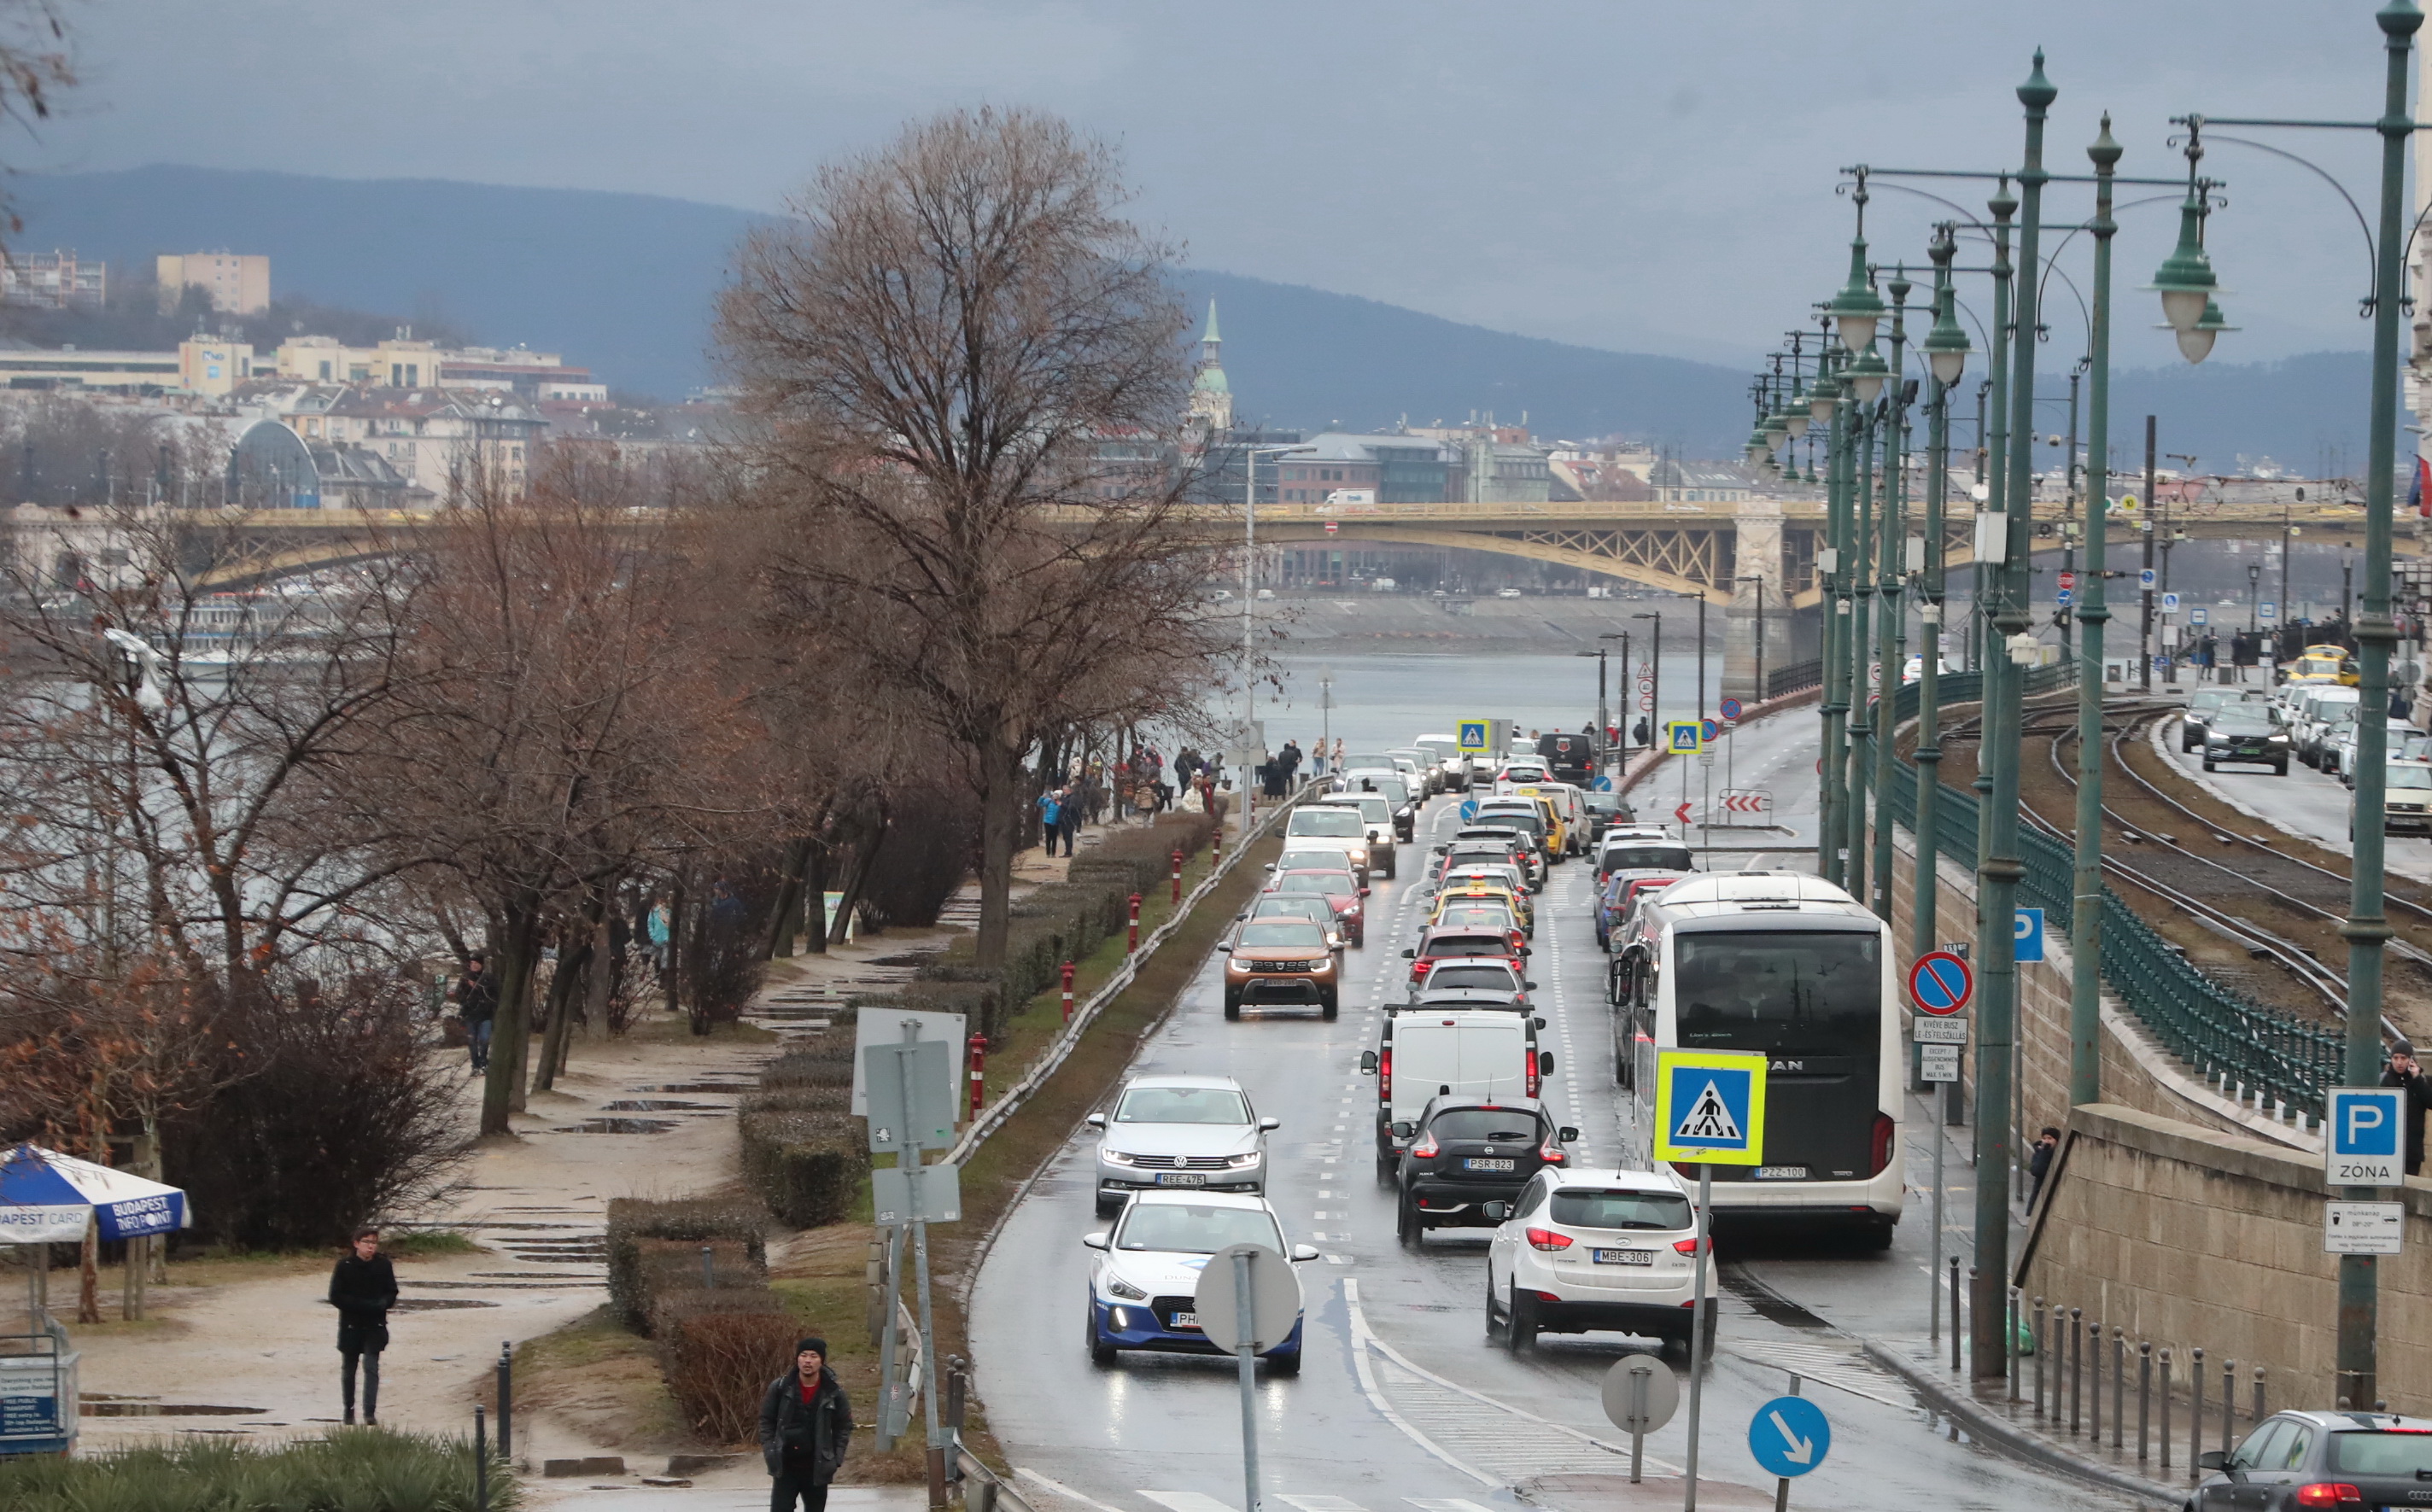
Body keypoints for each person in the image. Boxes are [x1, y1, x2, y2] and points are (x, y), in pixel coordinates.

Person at [761, 1336, 854, 1512]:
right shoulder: (780, 1387)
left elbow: (844, 1426)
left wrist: (835, 1458)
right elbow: (766, 1420)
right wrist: (770, 1450)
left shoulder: (833, 1392)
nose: (808, 1361)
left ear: (822, 1361)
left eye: (814, 1356)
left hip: (816, 1469)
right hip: (785, 1467)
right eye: (803, 1355)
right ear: (797, 1359)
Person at [328, 1224, 397, 1426]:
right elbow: (335, 1296)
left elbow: (392, 1291)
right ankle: (348, 1411)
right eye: (366, 1242)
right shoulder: (345, 1266)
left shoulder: (383, 1265)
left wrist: (382, 1304)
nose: (371, 1247)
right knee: (349, 1369)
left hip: (375, 1324)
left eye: (374, 1242)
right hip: (351, 1324)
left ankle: (369, 1412)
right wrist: (359, 1306)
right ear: (356, 1244)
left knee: (371, 1367)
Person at [2382, 1040, 2432, 1176]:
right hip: (2388, 1147)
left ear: (2411, 1060)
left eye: (2403, 1058)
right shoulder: (2385, 1081)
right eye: (2395, 1058)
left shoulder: (2422, 1081)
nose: (2399, 1062)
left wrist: (2417, 1079)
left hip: (2412, 1149)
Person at [453, 954, 499, 1075]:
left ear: (482, 964)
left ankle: (484, 1062)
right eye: (472, 963)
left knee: (484, 1039)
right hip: (470, 1015)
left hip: (485, 1015)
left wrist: (479, 989)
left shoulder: (488, 978)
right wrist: (466, 999)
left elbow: (495, 995)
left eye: (476, 963)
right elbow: (459, 994)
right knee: (472, 1042)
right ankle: (475, 1065)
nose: (474, 965)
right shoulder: (465, 978)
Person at [2026, 1126, 2062, 1207]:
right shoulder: (2040, 1153)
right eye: (2044, 1138)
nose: (2046, 1141)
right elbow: (2037, 1171)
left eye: (2050, 1138)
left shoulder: (2059, 1154)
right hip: (2040, 1192)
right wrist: (2044, 1153)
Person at [1038, 785, 1066, 857]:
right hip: (1048, 821)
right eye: (1054, 794)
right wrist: (1042, 798)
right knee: (1048, 838)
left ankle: (1053, 853)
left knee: (1054, 838)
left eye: (1057, 795)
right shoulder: (1048, 801)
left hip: (1056, 822)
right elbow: (1039, 804)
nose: (1055, 796)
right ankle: (1048, 853)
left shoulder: (1060, 803)